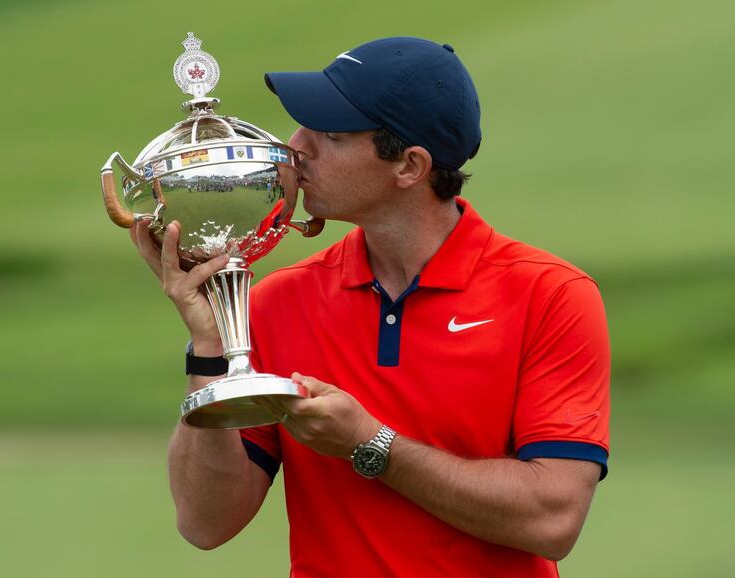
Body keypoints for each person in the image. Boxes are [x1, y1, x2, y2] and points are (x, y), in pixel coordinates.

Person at [131, 37, 610, 578]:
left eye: (330, 134)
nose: (296, 147)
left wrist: (370, 444)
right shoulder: (277, 301)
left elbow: (552, 520)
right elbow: (205, 522)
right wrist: (210, 352)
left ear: (409, 166)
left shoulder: (550, 296)